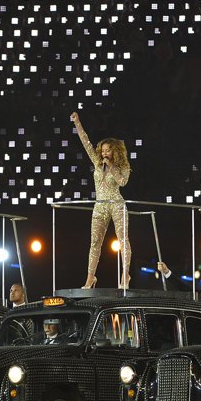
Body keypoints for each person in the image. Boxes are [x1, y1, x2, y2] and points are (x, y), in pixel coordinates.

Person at [71, 111, 131, 288]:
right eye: (103, 150)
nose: (104, 153)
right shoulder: (97, 162)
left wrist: (111, 167)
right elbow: (86, 143)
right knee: (95, 242)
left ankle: (125, 275)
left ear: (114, 151)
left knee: (123, 240)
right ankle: (90, 278)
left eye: (107, 150)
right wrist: (77, 123)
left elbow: (123, 182)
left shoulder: (123, 165)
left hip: (117, 204)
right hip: (100, 205)